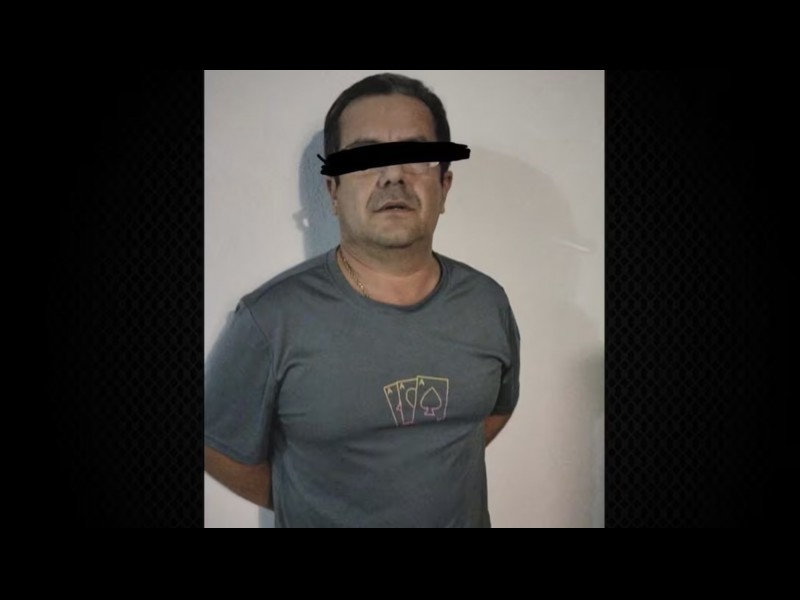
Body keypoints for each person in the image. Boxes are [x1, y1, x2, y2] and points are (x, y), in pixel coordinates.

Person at [204, 72, 521, 528]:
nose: (393, 175)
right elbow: (217, 447)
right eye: (366, 157)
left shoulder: (487, 303)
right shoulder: (269, 320)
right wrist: (308, 498)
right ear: (333, 191)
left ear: (444, 186)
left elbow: (493, 413)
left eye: (415, 156)